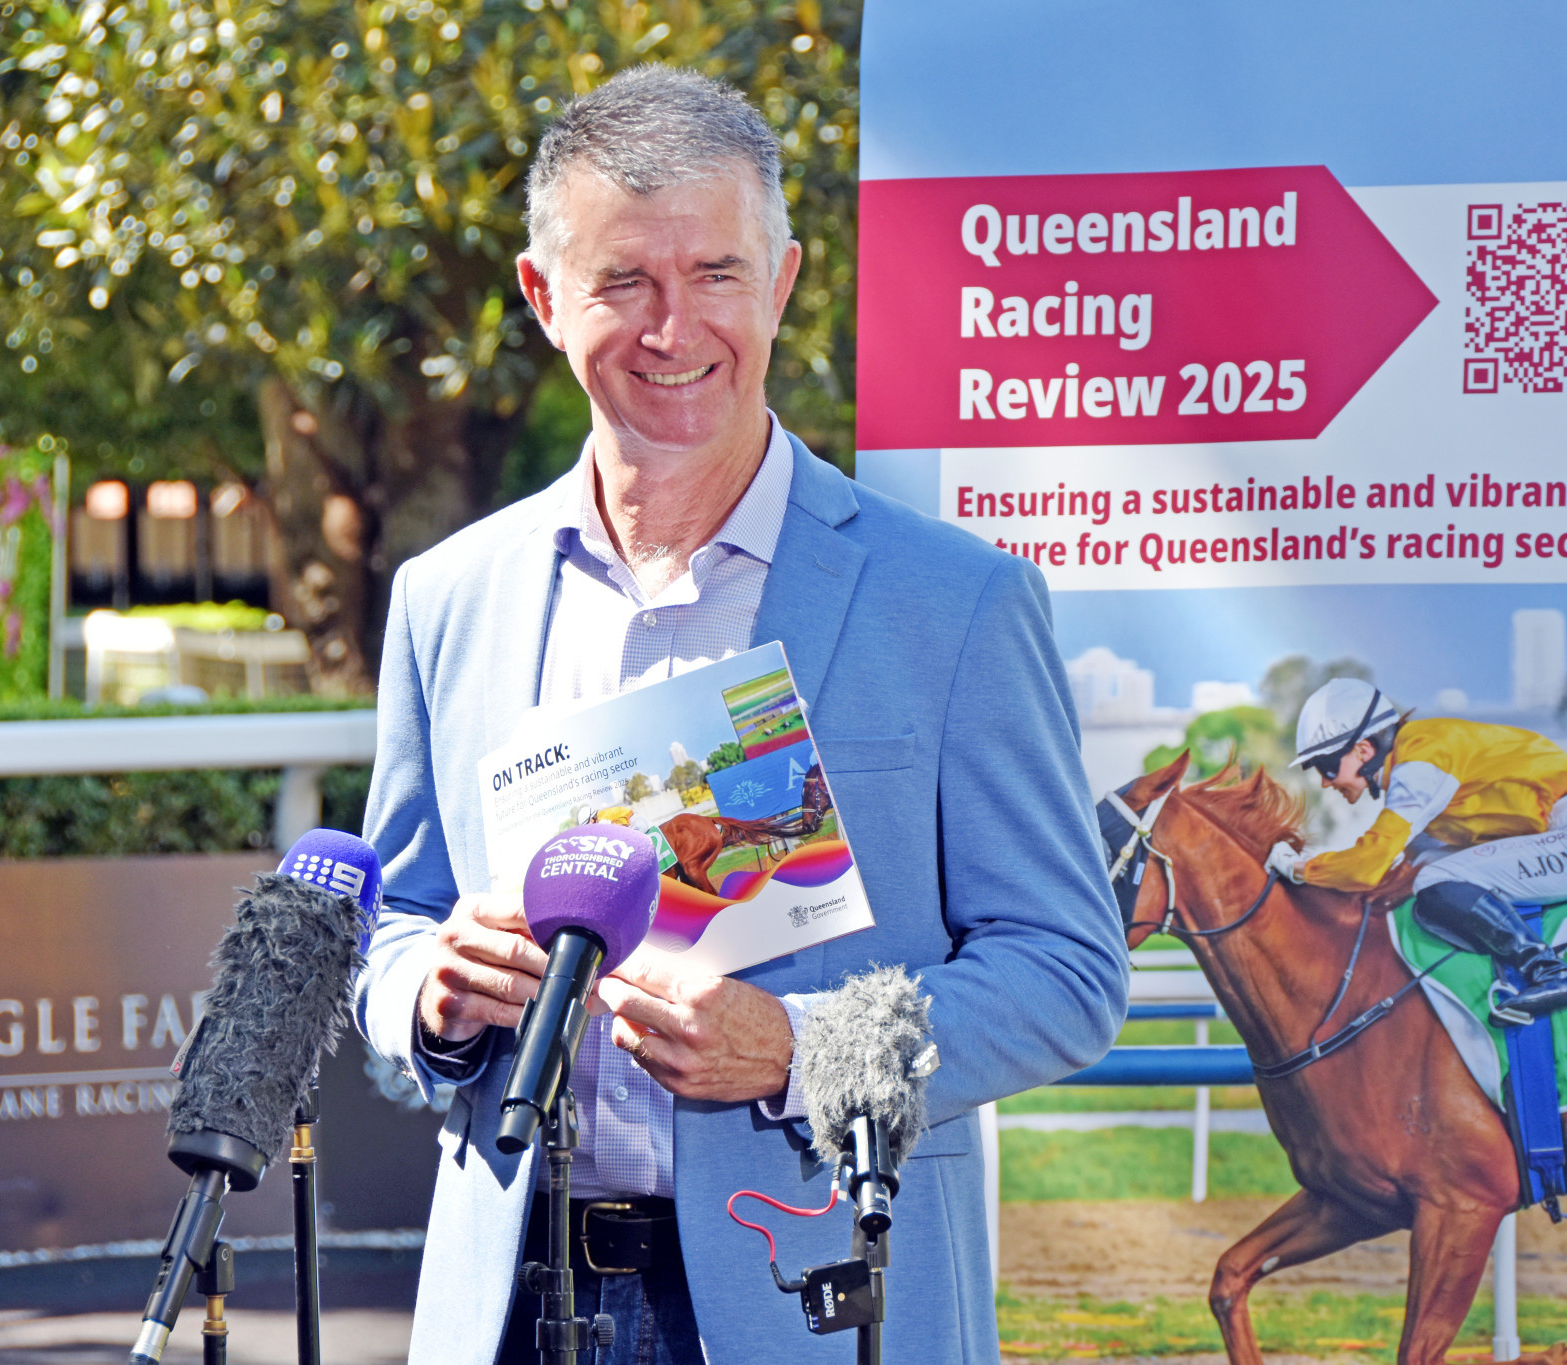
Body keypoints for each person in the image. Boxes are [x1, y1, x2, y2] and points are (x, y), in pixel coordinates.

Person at [353, 65, 1129, 1365]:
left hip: (816, 1300)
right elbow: (392, 920)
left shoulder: (957, 601)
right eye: (624, 283)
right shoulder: (447, 597)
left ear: (782, 283)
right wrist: (430, 988)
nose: (674, 328)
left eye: (715, 274)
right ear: (545, 299)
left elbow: (1067, 974)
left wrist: (802, 1046)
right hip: (508, 1301)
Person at [1264, 678, 1567, 1025]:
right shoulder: (1413, 763)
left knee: (1434, 879)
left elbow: (1367, 866)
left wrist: (1299, 868)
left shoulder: (1421, 761)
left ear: (1364, 749)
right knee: (1424, 871)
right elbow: (1398, 870)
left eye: (1327, 766)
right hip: (1564, 834)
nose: (1325, 782)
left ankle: (1549, 970)